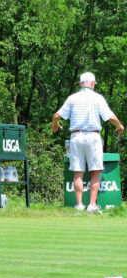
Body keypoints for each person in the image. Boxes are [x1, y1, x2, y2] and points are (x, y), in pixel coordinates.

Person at [52, 72, 124, 214]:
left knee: (78, 172)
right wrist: (120, 126)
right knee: (95, 172)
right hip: (93, 136)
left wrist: (55, 124)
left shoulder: (72, 98)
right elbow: (110, 117)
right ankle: (91, 205)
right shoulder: (98, 98)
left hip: (76, 136)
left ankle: (79, 205)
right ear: (92, 84)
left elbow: (56, 115)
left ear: (80, 84)